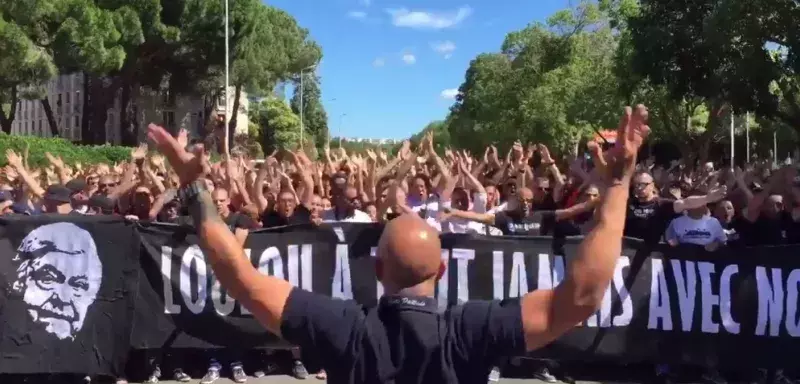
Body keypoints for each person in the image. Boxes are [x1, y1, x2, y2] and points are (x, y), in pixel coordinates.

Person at [145, 104, 648, 383]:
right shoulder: (471, 332)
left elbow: (240, 276)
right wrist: (619, 184)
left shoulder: (343, 327)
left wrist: (195, 190)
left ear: (378, 270)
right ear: (442, 271)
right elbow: (583, 296)